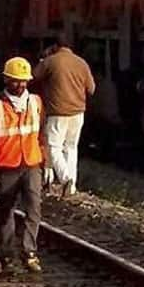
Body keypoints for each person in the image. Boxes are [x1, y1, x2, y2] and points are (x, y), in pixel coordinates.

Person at [0, 57, 50, 274]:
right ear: (6, 80)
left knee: (34, 210)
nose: (21, 85)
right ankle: (7, 257)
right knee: (6, 212)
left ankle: (29, 252)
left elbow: (42, 136)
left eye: (24, 81)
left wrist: (47, 164)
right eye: (16, 81)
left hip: (32, 163)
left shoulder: (37, 103)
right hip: (7, 165)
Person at [32, 32, 95, 196]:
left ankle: (66, 179)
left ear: (55, 46)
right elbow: (92, 89)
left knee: (54, 147)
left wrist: (42, 59)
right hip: (78, 112)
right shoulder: (82, 63)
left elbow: (33, 76)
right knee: (71, 148)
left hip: (57, 111)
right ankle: (71, 186)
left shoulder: (51, 61)